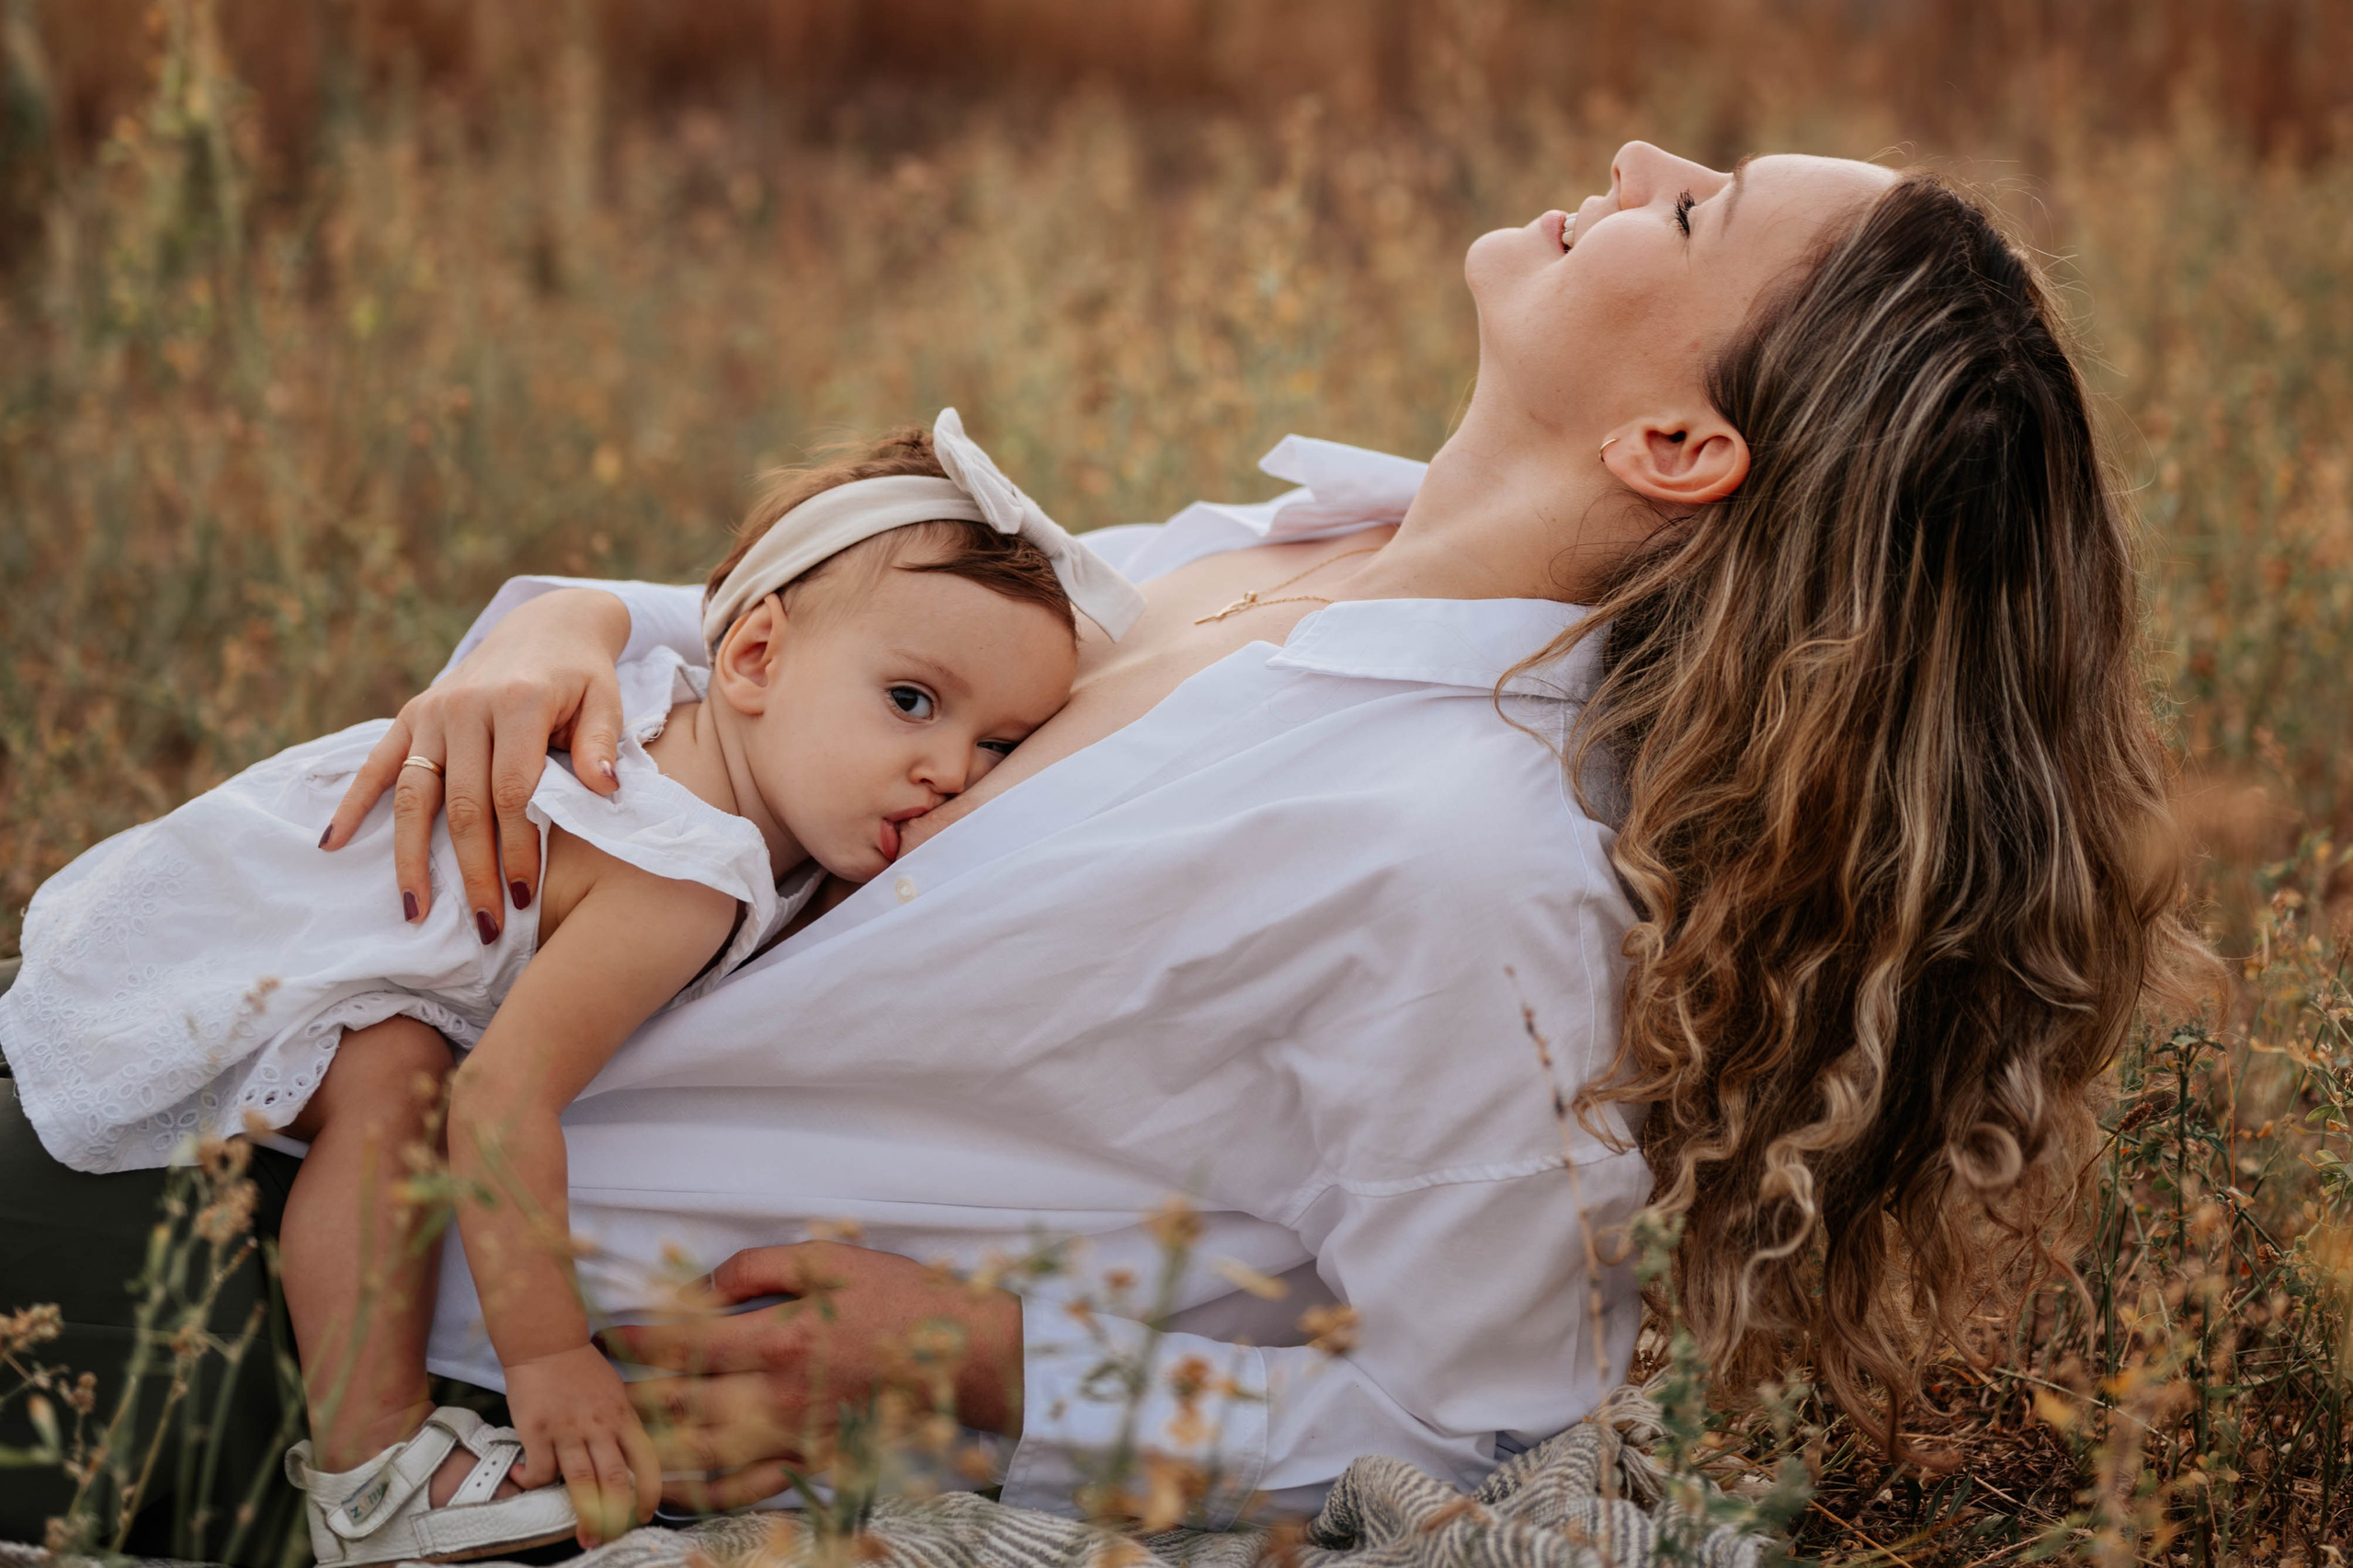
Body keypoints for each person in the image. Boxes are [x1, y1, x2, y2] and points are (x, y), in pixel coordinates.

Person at [0, 142, 2204, 1562]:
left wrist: (982, 1361)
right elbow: (850, 667)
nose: (1634, 162)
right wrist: (562, 622)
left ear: (1673, 440)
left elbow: (1474, 1436)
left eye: (1696, 210)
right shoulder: (1292, 545)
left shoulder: (1469, 865)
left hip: (411, 1339)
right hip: (280, 1052)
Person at [0, 415, 1138, 1564]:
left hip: (250, 885)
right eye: (911, 701)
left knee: (394, 1052)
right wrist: (548, 1355)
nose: (948, 769)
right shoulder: (686, 876)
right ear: (753, 657)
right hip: (278, 943)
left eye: (997, 746)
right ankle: (372, 1466)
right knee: (395, 1080)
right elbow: (501, 1102)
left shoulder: (682, 718)